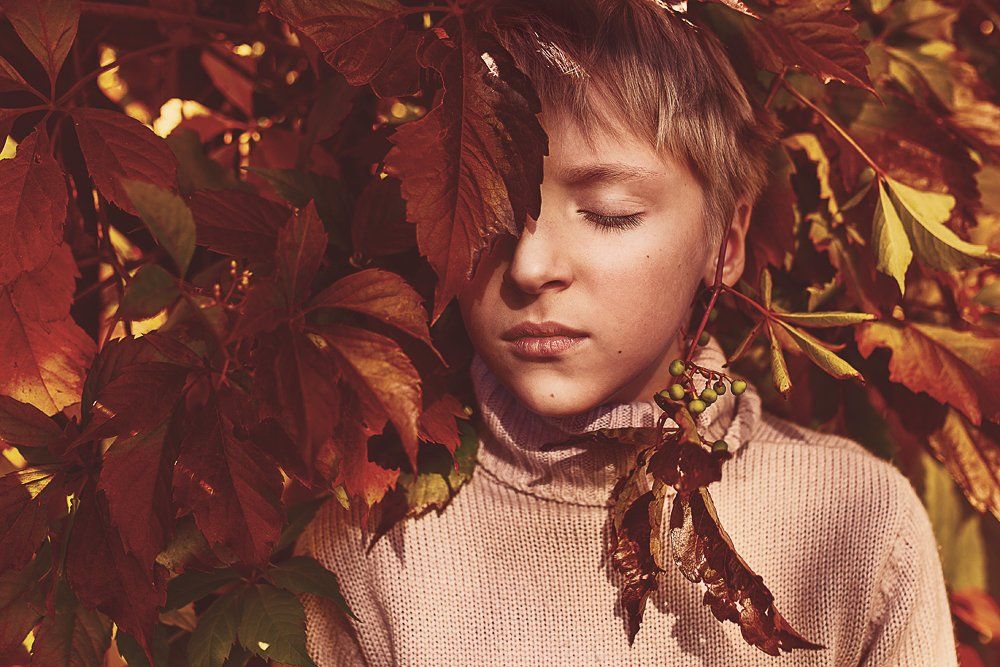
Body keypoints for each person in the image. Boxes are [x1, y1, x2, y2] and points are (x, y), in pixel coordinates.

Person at [293, 1, 958, 664]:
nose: (530, 267)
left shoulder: (858, 523)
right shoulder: (360, 544)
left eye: (608, 213)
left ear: (725, 243)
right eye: (491, 210)